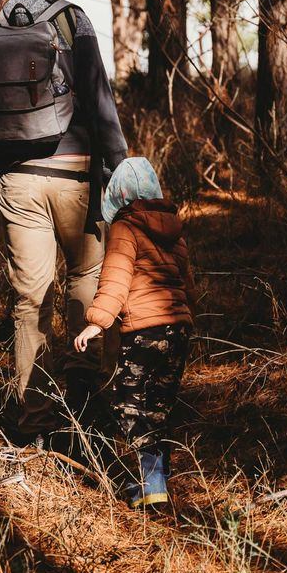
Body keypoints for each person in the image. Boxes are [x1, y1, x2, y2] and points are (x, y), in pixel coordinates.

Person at [0, 0, 128, 441]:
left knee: (30, 301)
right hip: (75, 175)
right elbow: (98, 98)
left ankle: (33, 422)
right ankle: (86, 396)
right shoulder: (72, 19)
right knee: (86, 278)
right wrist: (118, 168)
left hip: (17, 180)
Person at [74, 157, 196, 509]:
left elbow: (116, 277)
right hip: (178, 330)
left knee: (128, 404)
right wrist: (190, 319)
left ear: (118, 195)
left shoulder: (126, 227)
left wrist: (98, 320)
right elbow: (186, 282)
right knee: (159, 407)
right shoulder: (174, 227)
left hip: (144, 331)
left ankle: (153, 480)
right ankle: (154, 483)